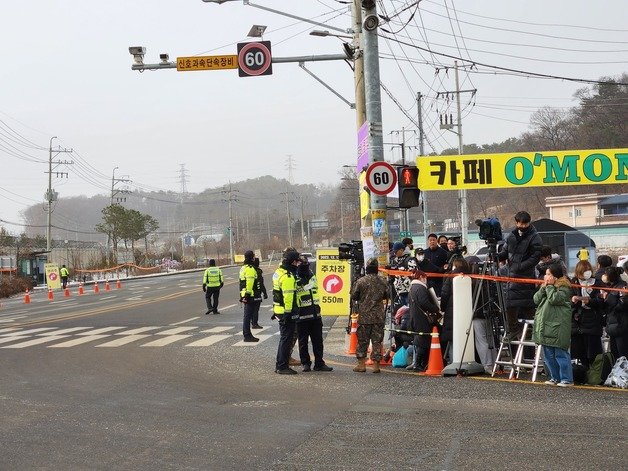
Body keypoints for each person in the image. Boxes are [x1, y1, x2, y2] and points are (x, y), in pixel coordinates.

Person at [498, 211, 543, 340]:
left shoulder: (535, 237)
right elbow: (505, 252)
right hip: (511, 277)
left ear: (529, 223)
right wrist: (497, 256)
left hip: (526, 277)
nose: (523, 226)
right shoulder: (511, 236)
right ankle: (513, 330)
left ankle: (530, 331)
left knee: (528, 305)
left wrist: (520, 266)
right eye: (520, 223)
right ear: (516, 222)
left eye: (525, 223)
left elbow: (535, 257)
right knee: (509, 305)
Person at [533, 263, 574, 387]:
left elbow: (555, 299)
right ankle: (554, 377)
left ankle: (567, 379)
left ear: (556, 276)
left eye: (549, 274)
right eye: (546, 274)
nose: (546, 277)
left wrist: (549, 287)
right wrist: (543, 288)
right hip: (545, 325)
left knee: (560, 354)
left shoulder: (564, 288)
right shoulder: (546, 287)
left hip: (558, 326)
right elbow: (536, 299)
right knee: (548, 355)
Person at [350, 257, 389, 373]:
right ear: (377, 269)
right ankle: (376, 365)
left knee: (363, 340)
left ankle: (361, 365)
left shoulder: (361, 281)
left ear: (367, 269)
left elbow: (354, 296)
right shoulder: (383, 281)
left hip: (365, 316)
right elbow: (387, 295)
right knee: (377, 341)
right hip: (378, 316)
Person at [295, 255, 332, 372]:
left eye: (306, 263)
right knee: (303, 341)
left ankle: (319, 363)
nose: (305, 264)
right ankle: (305, 363)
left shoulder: (311, 275)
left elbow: (315, 292)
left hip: (315, 313)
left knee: (318, 341)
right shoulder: (295, 277)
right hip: (302, 314)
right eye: (302, 263)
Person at [570, 260, 604, 368]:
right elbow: (568, 300)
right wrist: (574, 300)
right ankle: (584, 371)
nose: (587, 272)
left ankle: (595, 373)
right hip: (578, 319)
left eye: (588, 270)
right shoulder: (574, 282)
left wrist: (590, 301)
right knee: (580, 351)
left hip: (593, 318)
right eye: (584, 271)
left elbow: (602, 301)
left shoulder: (597, 282)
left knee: (593, 350)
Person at [273, 249, 301, 374]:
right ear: (293, 262)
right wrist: (288, 313)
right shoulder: (288, 277)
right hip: (286, 312)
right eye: (297, 262)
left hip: (279, 310)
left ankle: (280, 364)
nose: (298, 265)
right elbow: (288, 297)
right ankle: (282, 366)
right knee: (286, 340)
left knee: (283, 339)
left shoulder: (279, 272)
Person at [407, 270, 441, 371]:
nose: (426, 279)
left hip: (415, 316)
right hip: (422, 318)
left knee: (419, 339)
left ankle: (418, 363)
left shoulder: (412, 288)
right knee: (424, 341)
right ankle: (418, 363)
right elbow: (424, 302)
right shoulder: (421, 288)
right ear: (421, 277)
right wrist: (435, 308)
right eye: (425, 277)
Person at [439, 257, 471, 362]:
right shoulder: (471, 276)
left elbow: (445, 294)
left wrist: (442, 308)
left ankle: (454, 362)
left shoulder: (451, 277)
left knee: (453, 339)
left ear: (455, 266)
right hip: (467, 310)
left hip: (451, 310)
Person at [600, 266, 628, 358]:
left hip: (620, 325)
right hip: (612, 326)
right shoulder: (610, 287)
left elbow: (622, 305)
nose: (603, 276)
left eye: (605, 274)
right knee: (615, 355)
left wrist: (607, 297)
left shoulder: (622, 286)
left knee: (623, 355)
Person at [389, 241, 417, 312]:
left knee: (409, 311)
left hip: (408, 290)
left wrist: (403, 271)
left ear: (402, 250)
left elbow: (414, 273)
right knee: (402, 312)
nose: (395, 253)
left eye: (396, 251)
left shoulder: (409, 259)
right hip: (399, 290)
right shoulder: (395, 260)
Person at [239, 250, 259, 342]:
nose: (254, 258)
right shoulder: (250, 268)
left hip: (244, 294)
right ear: (252, 257)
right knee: (248, 316)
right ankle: (247, 335)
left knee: (246, 316)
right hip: (249, 295)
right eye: (254, 256)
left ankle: (247, 334)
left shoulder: (243, 267)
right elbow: (249, 283)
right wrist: (247, 296)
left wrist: (243, 295)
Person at [251, 257, 267, 329]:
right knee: (255, 309)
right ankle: (255, 323)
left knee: (250, 309)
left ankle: (252, 322)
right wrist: (265, 293)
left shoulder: (249, 270)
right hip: (256, 292)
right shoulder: (258, 271)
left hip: (249, 292)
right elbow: (260, 284)